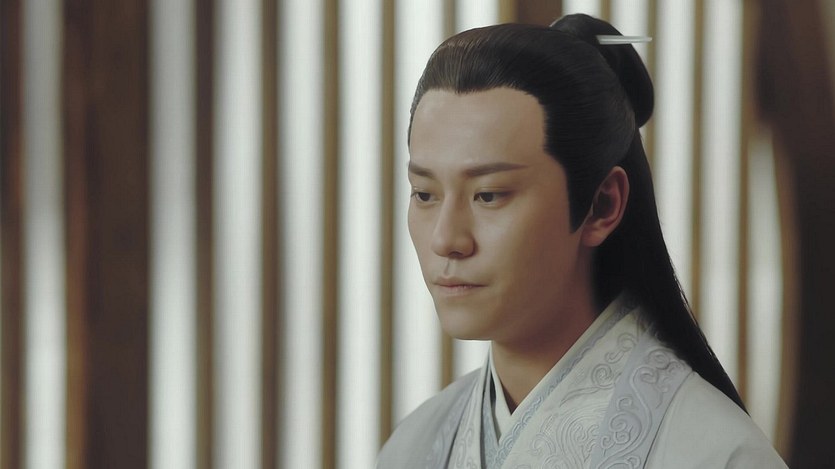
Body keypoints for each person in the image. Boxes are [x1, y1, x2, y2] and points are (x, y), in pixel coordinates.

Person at [377, 13, 787, 469]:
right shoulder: (415, 446)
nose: (446, 239)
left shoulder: (716, 455)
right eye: (425, 194)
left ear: (602, 204)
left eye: (488, 195)